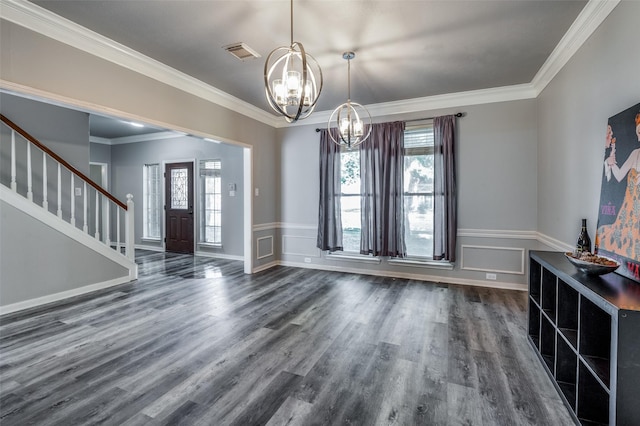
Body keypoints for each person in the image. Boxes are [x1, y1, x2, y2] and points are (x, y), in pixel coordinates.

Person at [597, 112, 640, 261]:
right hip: (627, 215)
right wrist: (611, 162)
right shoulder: (636, 154)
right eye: (639, 132)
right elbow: (620, 175)